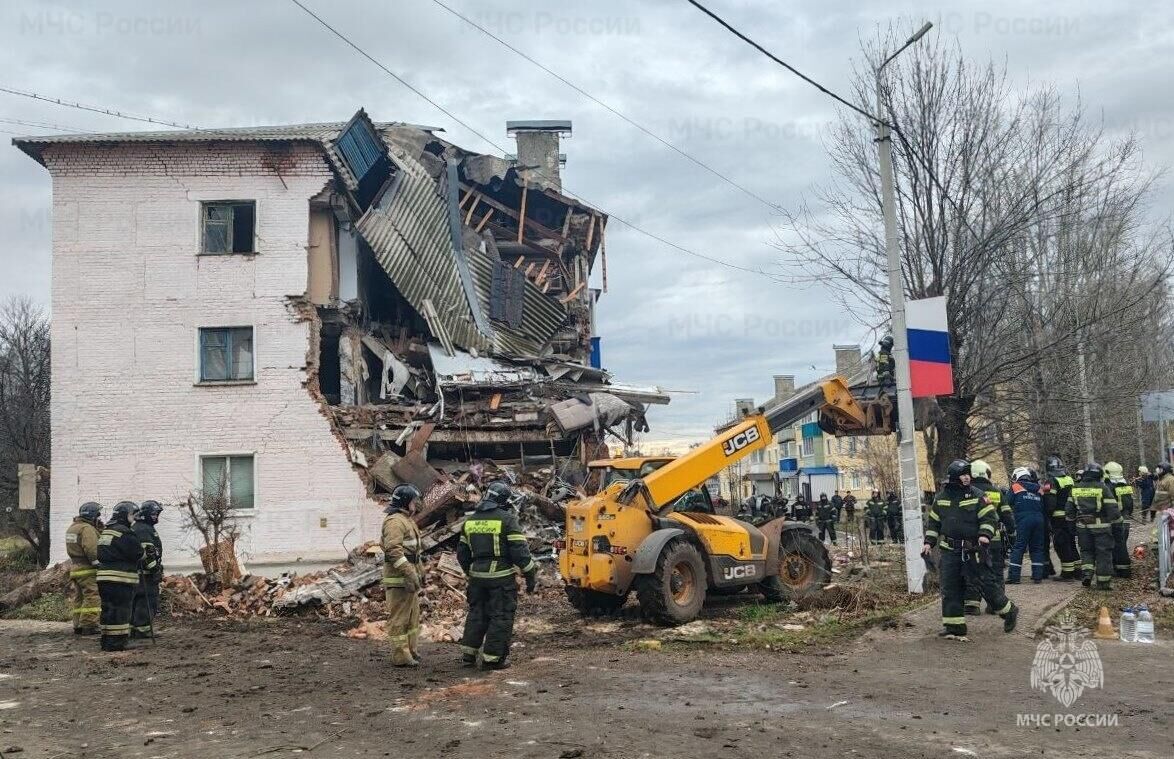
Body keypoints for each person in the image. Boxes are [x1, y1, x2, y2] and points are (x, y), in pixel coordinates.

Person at [923, 460, 1018, 640]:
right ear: (953, 477)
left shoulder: (978, 495)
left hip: (973, 550)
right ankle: (954, 626)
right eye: (963, 474)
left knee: (986, 585)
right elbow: (934, 523)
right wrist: (929, 542)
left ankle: (1009, 610)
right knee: (950, 588)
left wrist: (984, 535)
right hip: (949, 551)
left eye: (969, 474)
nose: (967, 477)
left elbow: (990, 518)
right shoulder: (941, 498)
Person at [457, 481, 538, 670]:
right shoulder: (507, 519)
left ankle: (468, 656)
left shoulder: (470, 521)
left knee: (477, 614)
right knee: (500, 617)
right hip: (500, 580)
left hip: (476, 578)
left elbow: (462, 554)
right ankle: (492, 660)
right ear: (503, 501)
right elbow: (520, 552)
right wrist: (530, 576)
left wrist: (472, 571)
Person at [381, 484, 424, 667]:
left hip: (408, 578)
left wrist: (420, 573)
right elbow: (393, 551)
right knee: (399, 618)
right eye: (414, 501)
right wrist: (409, 572)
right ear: (406, 502)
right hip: (399, 579)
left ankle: (411, 651)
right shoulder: (395, 522)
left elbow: (414, 552)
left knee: (412, 617)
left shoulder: (406, 520)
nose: (416, 504)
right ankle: (400, 656)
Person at [96, 501, 144, 652]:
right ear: (125, 515)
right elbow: (138, 553)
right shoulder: (125, 532)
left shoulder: (107, 531)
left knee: (107, 609)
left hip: (103, 578)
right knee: (120, 610)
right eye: (132, 515)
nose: (133, 519)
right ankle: (117, 643)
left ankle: (106, 640)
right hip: (120, 579)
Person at [969, 460, 1014, 607]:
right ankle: (996, 604)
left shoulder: (967, 491)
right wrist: (1012, 531)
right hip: (993, 540)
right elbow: (1007, 515)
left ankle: (972, 603)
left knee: (972, 571)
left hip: (971, 541)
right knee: (995, 572)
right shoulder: (996, 492)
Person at [1070, 463, 1120, 590]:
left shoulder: (1075, 488)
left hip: (1082, 527)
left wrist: (1071, 519)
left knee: (1086, 551)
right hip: (1101, 527)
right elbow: (1112, 508)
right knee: (1103, 554)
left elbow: (1069, 510)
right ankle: (1103, 583)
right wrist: (1118, 520)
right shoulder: (1102, 487)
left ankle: (1087, 574)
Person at [64, 502, 103, 635]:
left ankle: (77, 625)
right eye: (97, 515)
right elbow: (91, 549)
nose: (98, 517)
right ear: (92, 515)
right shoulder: (87, 529)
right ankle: (89, 625)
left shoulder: (73, 528)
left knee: (79, 597)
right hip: (87, 568)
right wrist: (97, 563)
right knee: (93, 596)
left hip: (75, 567)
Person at [130, 501, 164, 640]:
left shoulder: (141, 527)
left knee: (137, 602)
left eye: (157, 514)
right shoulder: (144, 529)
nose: (156, 516)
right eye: (154, 514)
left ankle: (134, 629)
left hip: (139, 574)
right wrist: (155, 569)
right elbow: (148, 552)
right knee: (146, 601)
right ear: (145, 515)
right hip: (145, 575)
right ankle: (142, 630)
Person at [1006, 468, 1046, 583]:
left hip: (1024, 520)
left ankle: (1014, 577)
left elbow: (1007, 502)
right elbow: (1044, 504)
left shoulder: (1016, 486)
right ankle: (1038, 577)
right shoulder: (1038, 488)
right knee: (1037, 548)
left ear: (1017, 476)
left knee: (1019, 547)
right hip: (1039, 519)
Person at [1042, 456, 1079, 581]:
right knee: (1071, 543)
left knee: (1061, 544)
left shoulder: (1050, 481)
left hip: (1058, 518)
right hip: (1071, 517)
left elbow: (1050, 502)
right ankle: (1078, 571)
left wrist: (1047, 515)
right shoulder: (1069, 480)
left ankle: (1067, 573)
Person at [1103, 462, 1133, 579]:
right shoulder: (1125, 485)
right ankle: (1124, 569)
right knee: (1122, 545)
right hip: (1125, 520)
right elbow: (1129, 505)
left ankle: (1119, 570)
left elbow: (1109, 506)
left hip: (1116, 520)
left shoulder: (1109, 487)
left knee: (1115, 546)